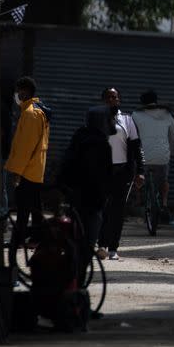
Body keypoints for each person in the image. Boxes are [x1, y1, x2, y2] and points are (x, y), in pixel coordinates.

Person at [58, 105, 114, 281]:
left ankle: (71, 281)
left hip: (74, 200)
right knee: (86, 245)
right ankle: (77, 284)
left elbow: (65, 167)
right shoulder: (100, 145)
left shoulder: (79, 137)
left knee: (73, 244)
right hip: (92, 203)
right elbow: (99, 176)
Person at [5, 76, 51, 259]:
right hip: (34, 168)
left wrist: (17, 171)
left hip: (28, 170)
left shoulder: (31, 114)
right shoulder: (34, 111)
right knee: (34, 207)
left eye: (18, 91)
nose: (16, 95)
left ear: (25, 91)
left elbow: (25, 147)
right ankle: (37, 238)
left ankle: (19, 240)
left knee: (24, 209)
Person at [98, 87, 145, 261]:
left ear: (119, 100)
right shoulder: (96, 119)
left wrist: (140, 171)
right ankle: (100, 244)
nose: (112, 100)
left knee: (117, 211)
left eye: (115, 97)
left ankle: (112, 248)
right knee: (102, 208)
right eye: (108, 97)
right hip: (101, 172)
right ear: (103, 100)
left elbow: (136, 147)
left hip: (122, 172)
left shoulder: (126, 120)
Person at [133, 89, 174, 228]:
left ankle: (137, 198)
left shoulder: (136, 114)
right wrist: (172, 152)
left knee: (137, 173)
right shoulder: (167, 114)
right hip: (162, 157)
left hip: (143, 156)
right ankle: (165, 203)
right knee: (164, 181)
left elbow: (131, 137)